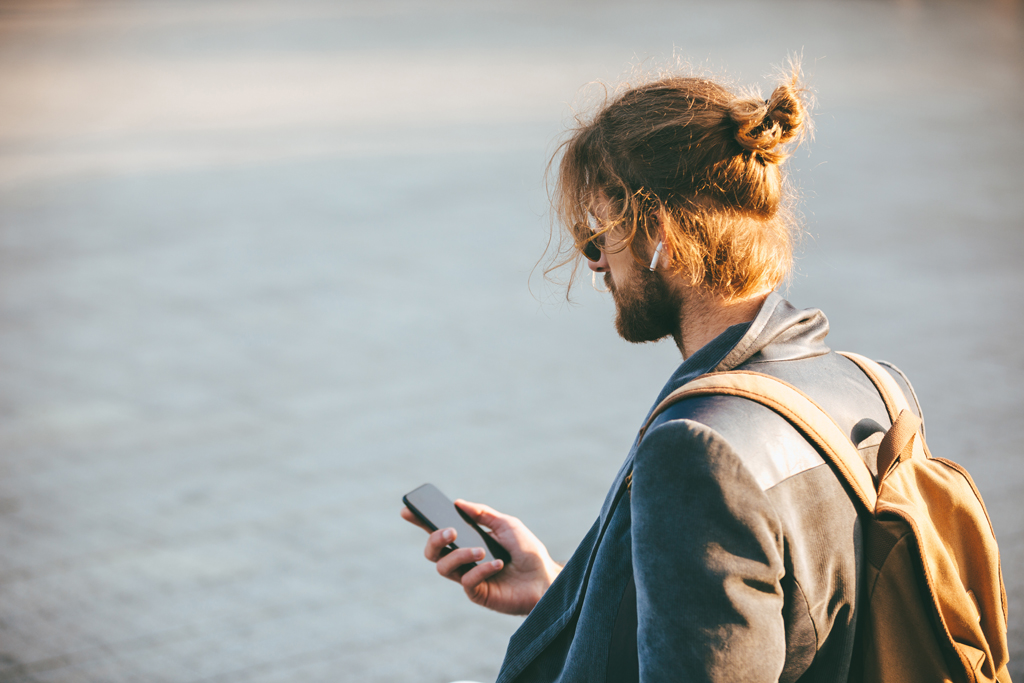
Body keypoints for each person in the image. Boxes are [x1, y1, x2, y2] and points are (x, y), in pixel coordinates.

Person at [401, 65, 925, 682]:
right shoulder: (873, 386)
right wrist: (561, 595)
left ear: (663, 237)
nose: (594, 264)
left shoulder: (698, 450)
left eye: (597, 236)